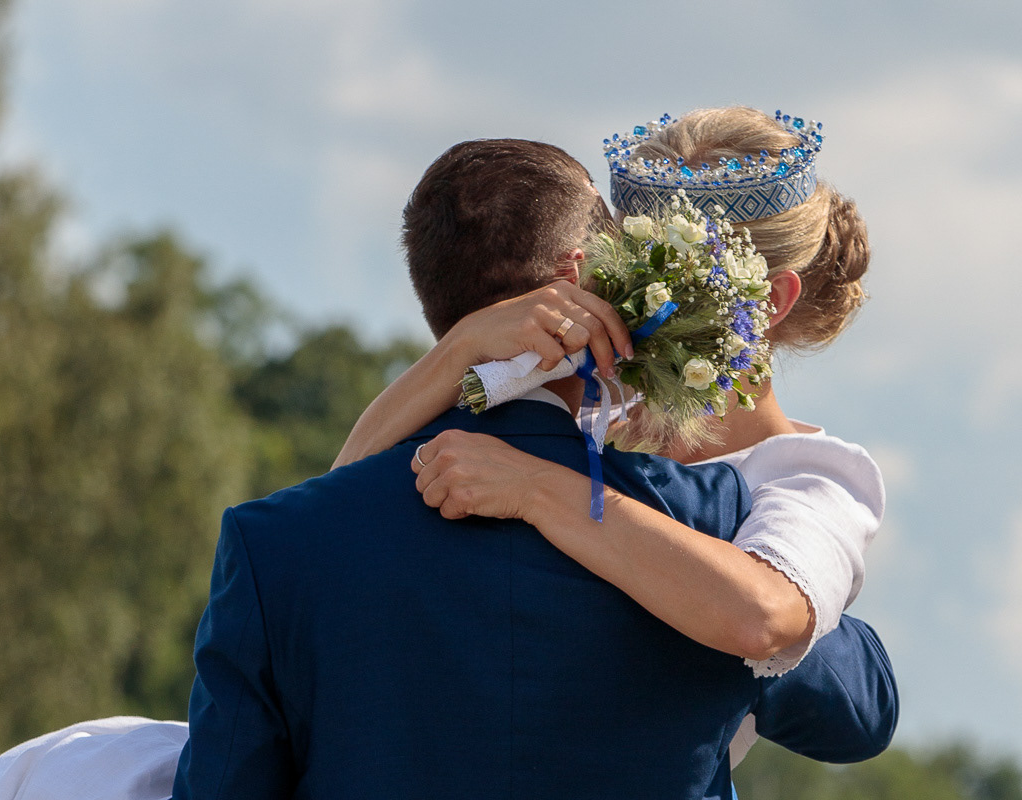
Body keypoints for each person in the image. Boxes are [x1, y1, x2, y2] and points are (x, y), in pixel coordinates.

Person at [0, 136, 895, 800]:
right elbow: (855, 707)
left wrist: (477, 389)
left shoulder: (278, 543)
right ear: (580, 281)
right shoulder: (712, 526)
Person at [334, 107, 885, 758]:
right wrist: (463, 346)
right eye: (624, 263)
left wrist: (536, 489)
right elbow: (344, 501)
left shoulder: (809, 478)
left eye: (670, 273)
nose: (624, 296)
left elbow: (762, 615)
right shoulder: (580, 408)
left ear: (768, 303)